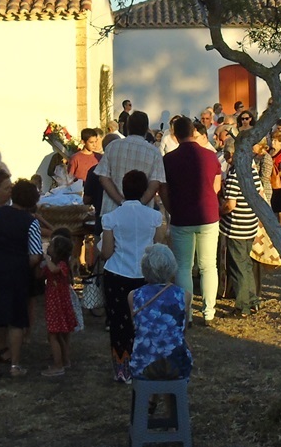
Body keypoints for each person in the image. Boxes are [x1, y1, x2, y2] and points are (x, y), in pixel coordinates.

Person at [98, 169, 165, 383]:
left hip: (117, 273)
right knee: (145, 321)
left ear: (123, 188)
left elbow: (106, 252)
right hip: (145, 274)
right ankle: (144, 364)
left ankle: (122, 369)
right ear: (144, 190)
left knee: (119, 322)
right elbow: (159, 245)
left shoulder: (111, 218)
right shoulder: (154, 217)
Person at [0, 178, 44, 377]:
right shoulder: (31, 222)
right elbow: (36, 254)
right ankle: (14, 365)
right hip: (15, 271)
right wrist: (18, 263)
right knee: (16, 319)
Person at [161, 115, 221, 324]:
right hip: (208, 214)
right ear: (194, 132)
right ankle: (209, 311)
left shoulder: (169, 159)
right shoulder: (210, 156)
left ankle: (187, 313)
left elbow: (164, 190)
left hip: (182, 215)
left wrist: (171, 209)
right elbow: (216, 186)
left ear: (175, 135)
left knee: (184, 266)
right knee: (208, 266)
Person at [128, 243, 192, 381]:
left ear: (144, 268)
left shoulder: (134, 296)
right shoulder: (184, 295)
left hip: (142, 363)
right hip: (176, 365)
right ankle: (174, 395)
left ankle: (147, 395)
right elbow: (183, 330)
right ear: (172, 267)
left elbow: (137, 327)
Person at [96, 110, 166, 214]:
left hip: (113, 211)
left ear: (128, 127)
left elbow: (103, 178)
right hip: (142, 213)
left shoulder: (112, 146)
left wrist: (121, 202)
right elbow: (155, 183)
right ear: (146, 129)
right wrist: (139, 204)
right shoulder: (154, 152)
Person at [218, 153, 261, 316]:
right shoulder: (251, 170)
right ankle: (253, 300)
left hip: (237, 227)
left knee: (238, 268)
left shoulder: (235, 175)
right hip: (250, 225)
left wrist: (219, 211)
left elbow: (230, 204)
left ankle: (242, 306)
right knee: (246, 265)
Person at [40, 232, 77, 377]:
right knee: (58, 334)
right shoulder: (54, 264)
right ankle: (65, 360)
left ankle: (58, 365)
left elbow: (54, 270)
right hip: (55, 303)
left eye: (51, 245)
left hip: (57, 304)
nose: (48, 247)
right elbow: (40, 274)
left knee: (53, 335)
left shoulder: (62, 264)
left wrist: (46, 258)